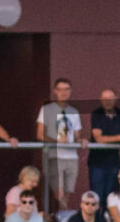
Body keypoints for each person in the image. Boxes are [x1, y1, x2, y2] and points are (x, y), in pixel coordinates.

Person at [36, 78, 84, 210]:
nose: (64, 92)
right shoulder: (46, 109)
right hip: (54, 156)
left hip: (71, 157)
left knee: (68, 191)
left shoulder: (74, 112)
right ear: (55, 91)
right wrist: (57, 141)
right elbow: (40, 134)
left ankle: (62, 216)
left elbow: (77, 135)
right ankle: (63, 216)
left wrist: (82, 141)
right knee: (59, 191)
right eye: (61, 89)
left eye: (67, 89)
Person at [88, 88, 120, 209]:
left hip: (114, 162)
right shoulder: (97, 113)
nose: (107, 101)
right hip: (96, 162)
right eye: (104, 99)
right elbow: (99, 139)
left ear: (116, 98)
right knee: (97, 197)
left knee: (112, 196)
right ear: (100, 100)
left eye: (110, 98)